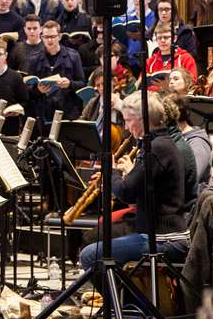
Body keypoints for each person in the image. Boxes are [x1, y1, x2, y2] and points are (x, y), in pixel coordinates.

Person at [79, 92, 188, 272]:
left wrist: (111, 172)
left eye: (129, 121)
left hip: (165, 238)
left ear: (143, 120)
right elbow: (133, 193)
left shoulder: (156, 148)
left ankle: (129, 301)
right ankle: (122, 298)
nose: (127, 127)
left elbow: (126, 192)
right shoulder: (158, 144)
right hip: (156, 233)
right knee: (96, 240)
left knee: (90, 255)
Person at [27, 20, 85, 125]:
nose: (49, 40)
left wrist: (69, 84)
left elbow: (82, 83)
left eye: (53, 37)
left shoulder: (73, 56)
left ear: (59, 36)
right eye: (46, 37)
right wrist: (38, 90)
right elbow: (29, 90)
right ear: (42, 37)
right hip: (43, 113)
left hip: (67, 111)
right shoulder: (34, 59)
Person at [144, 23, 197, 90]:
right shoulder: (150, 62)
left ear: (174, 38)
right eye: (159, 38)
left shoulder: (186, 58)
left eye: (166, 37)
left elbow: (192, 82)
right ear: (156, 40)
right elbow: (143, 84)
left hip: (178, 98)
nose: (162, 40)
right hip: (153, 98)